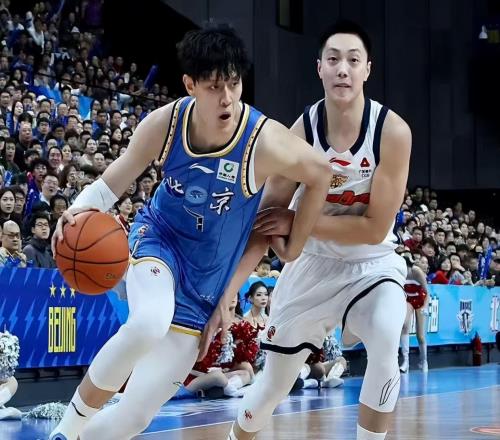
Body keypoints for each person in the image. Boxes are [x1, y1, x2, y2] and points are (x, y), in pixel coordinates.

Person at [49, 25, 331, 440]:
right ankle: (65, 430)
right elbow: (113, 182)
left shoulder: (264, 140)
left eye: (233, 83)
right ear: (190, 85)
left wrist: (294, 244)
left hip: (205, 287)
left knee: (135, 417)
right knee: (149, 321)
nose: (227, 97)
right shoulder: (166, 123)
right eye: (215, 86)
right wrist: (76, 210)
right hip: (159, 242)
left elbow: (321, 173)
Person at [223, 20, 412, 440]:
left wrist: (299, 222)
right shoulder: (300, 133)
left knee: (386, 334)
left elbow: (374, 228)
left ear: (367, 69)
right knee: (273, 386)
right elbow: (267, 218)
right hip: (311, 264)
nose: (343, 68)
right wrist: (230, 287)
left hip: (372, 264)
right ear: (319, 68)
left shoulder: (392, 132)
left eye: (353, 60)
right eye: (333, 59)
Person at [399, 254, 429, 373]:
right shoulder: (398, 272)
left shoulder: (417, 272)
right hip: (408, 300)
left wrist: (425, 307)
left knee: (420, 335)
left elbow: (427, 292)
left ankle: (424, 361)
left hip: (421, 300)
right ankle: (406, 362)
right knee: (404, 326)